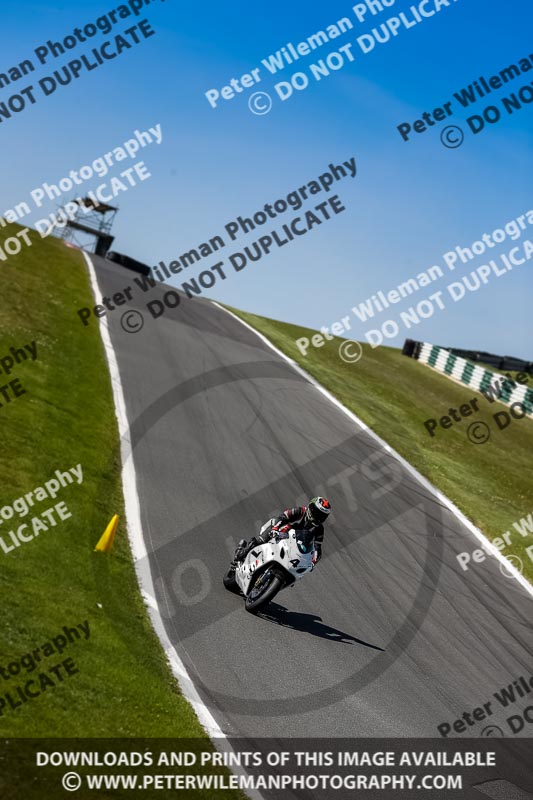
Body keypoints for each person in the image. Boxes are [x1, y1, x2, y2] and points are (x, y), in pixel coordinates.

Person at [233, 497, 331, 566]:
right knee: (261, 540)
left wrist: (313, 562)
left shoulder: (319, 529)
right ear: (311, 508)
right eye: (317, 513)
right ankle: (242, 553)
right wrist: (275, 529)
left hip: (295, 546)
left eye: (322, 516)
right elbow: (282, 517)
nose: (318, 517)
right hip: (282, 532)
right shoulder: (300, 511)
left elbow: (318, 548)